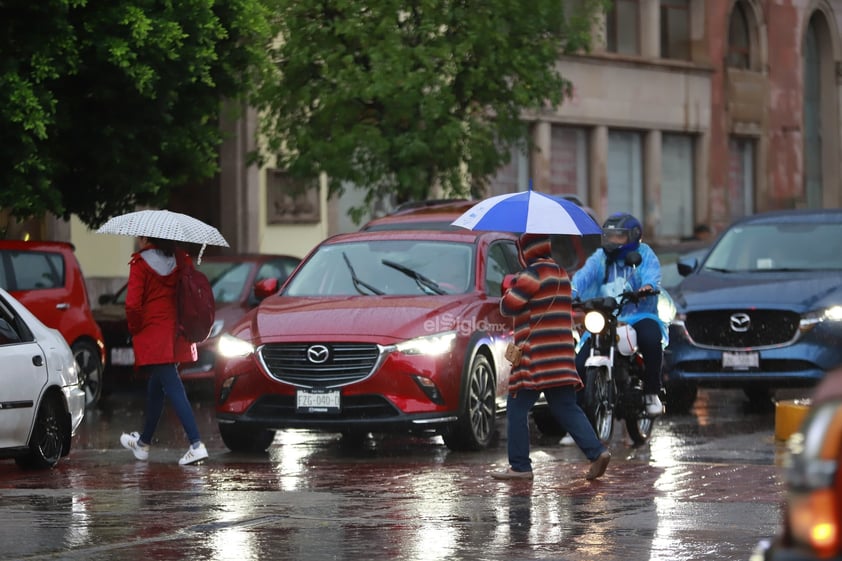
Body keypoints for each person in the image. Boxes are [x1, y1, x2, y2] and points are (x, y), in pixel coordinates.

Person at [492, 233, 611, 481]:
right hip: (560, 356)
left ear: (526, 252)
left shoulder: (531, 275)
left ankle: (520, 466)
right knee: (566, 406)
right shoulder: (560, 274)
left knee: (517, 405)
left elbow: (508, 306)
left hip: (535, 357)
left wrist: (511, 286)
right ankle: (596, 452)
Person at [119, 236, 209, 466]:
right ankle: (142, 445)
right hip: (177, 333)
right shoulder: (181, 260)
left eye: (140, 237)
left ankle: (196, 444)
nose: (138, 241)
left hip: (154, 334)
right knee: (156, 387)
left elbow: (132, 304)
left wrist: (135, 328)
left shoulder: (140, 264)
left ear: (147, 238)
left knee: (173, 387)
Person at [572, 212, 666, 417]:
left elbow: (652, 273)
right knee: (579, 362)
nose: (613, 241)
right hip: (606, 316)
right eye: (609, 236)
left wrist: (647, 287)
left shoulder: (645, 253)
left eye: (619, 236)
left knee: (651, 339)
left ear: (633, 236)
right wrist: (568, 293)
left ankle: (652, 393)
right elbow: (582, 277)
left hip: (639, 314)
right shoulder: (600, 257)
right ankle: (577, 419)